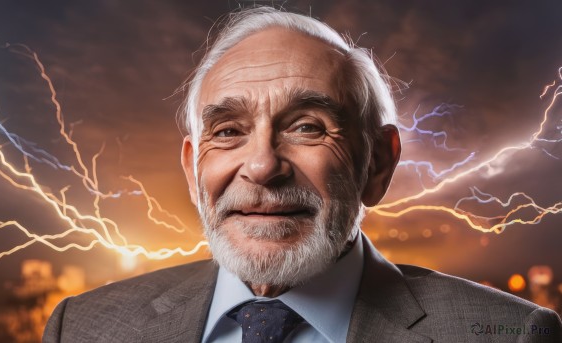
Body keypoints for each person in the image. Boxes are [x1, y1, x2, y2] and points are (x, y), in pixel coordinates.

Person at [43, 7, 562, 343]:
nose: (262, 164)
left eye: (308, 126)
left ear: (377, 163)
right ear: (191, 168)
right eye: (227, 131)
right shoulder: (83, 328)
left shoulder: (508, 335)